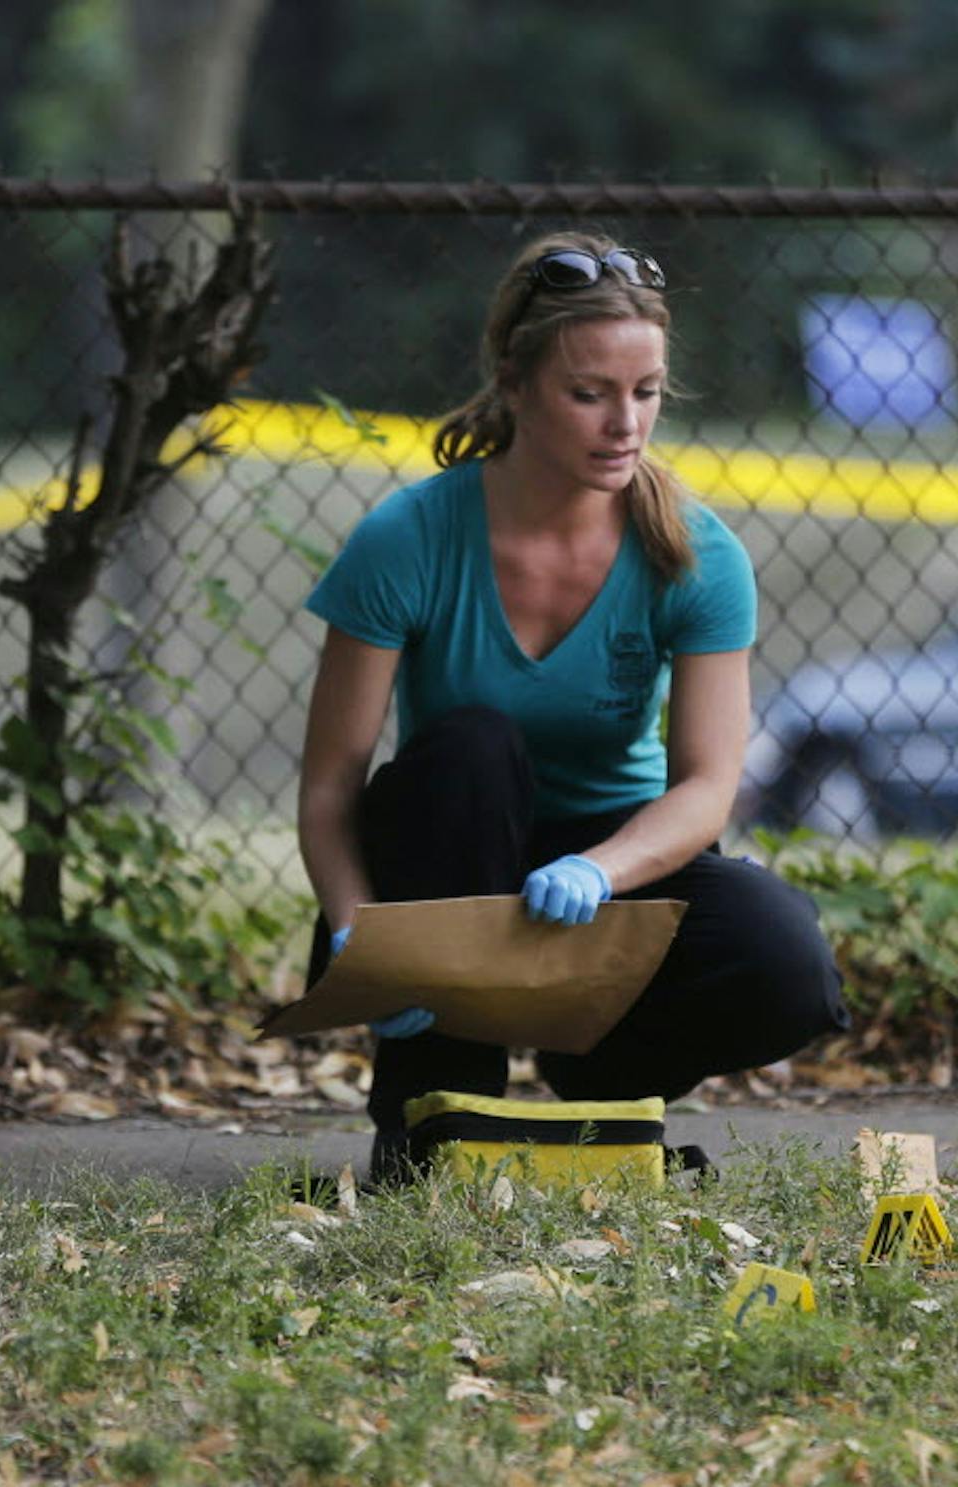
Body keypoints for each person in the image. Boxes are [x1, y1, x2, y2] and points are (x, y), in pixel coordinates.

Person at [296, 230, 849, 1184]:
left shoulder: (699, 554)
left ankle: (605, 1091)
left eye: (646, 392)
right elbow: (330, 787)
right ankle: (434, 1130)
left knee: (786, 962)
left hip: (611, 865)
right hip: (452, 852)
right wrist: (358, 936)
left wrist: (598, 870)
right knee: (470, 746)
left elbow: (710, 786)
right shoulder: (407, 538)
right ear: (514, 384)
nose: (624, 423)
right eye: (588, 393)